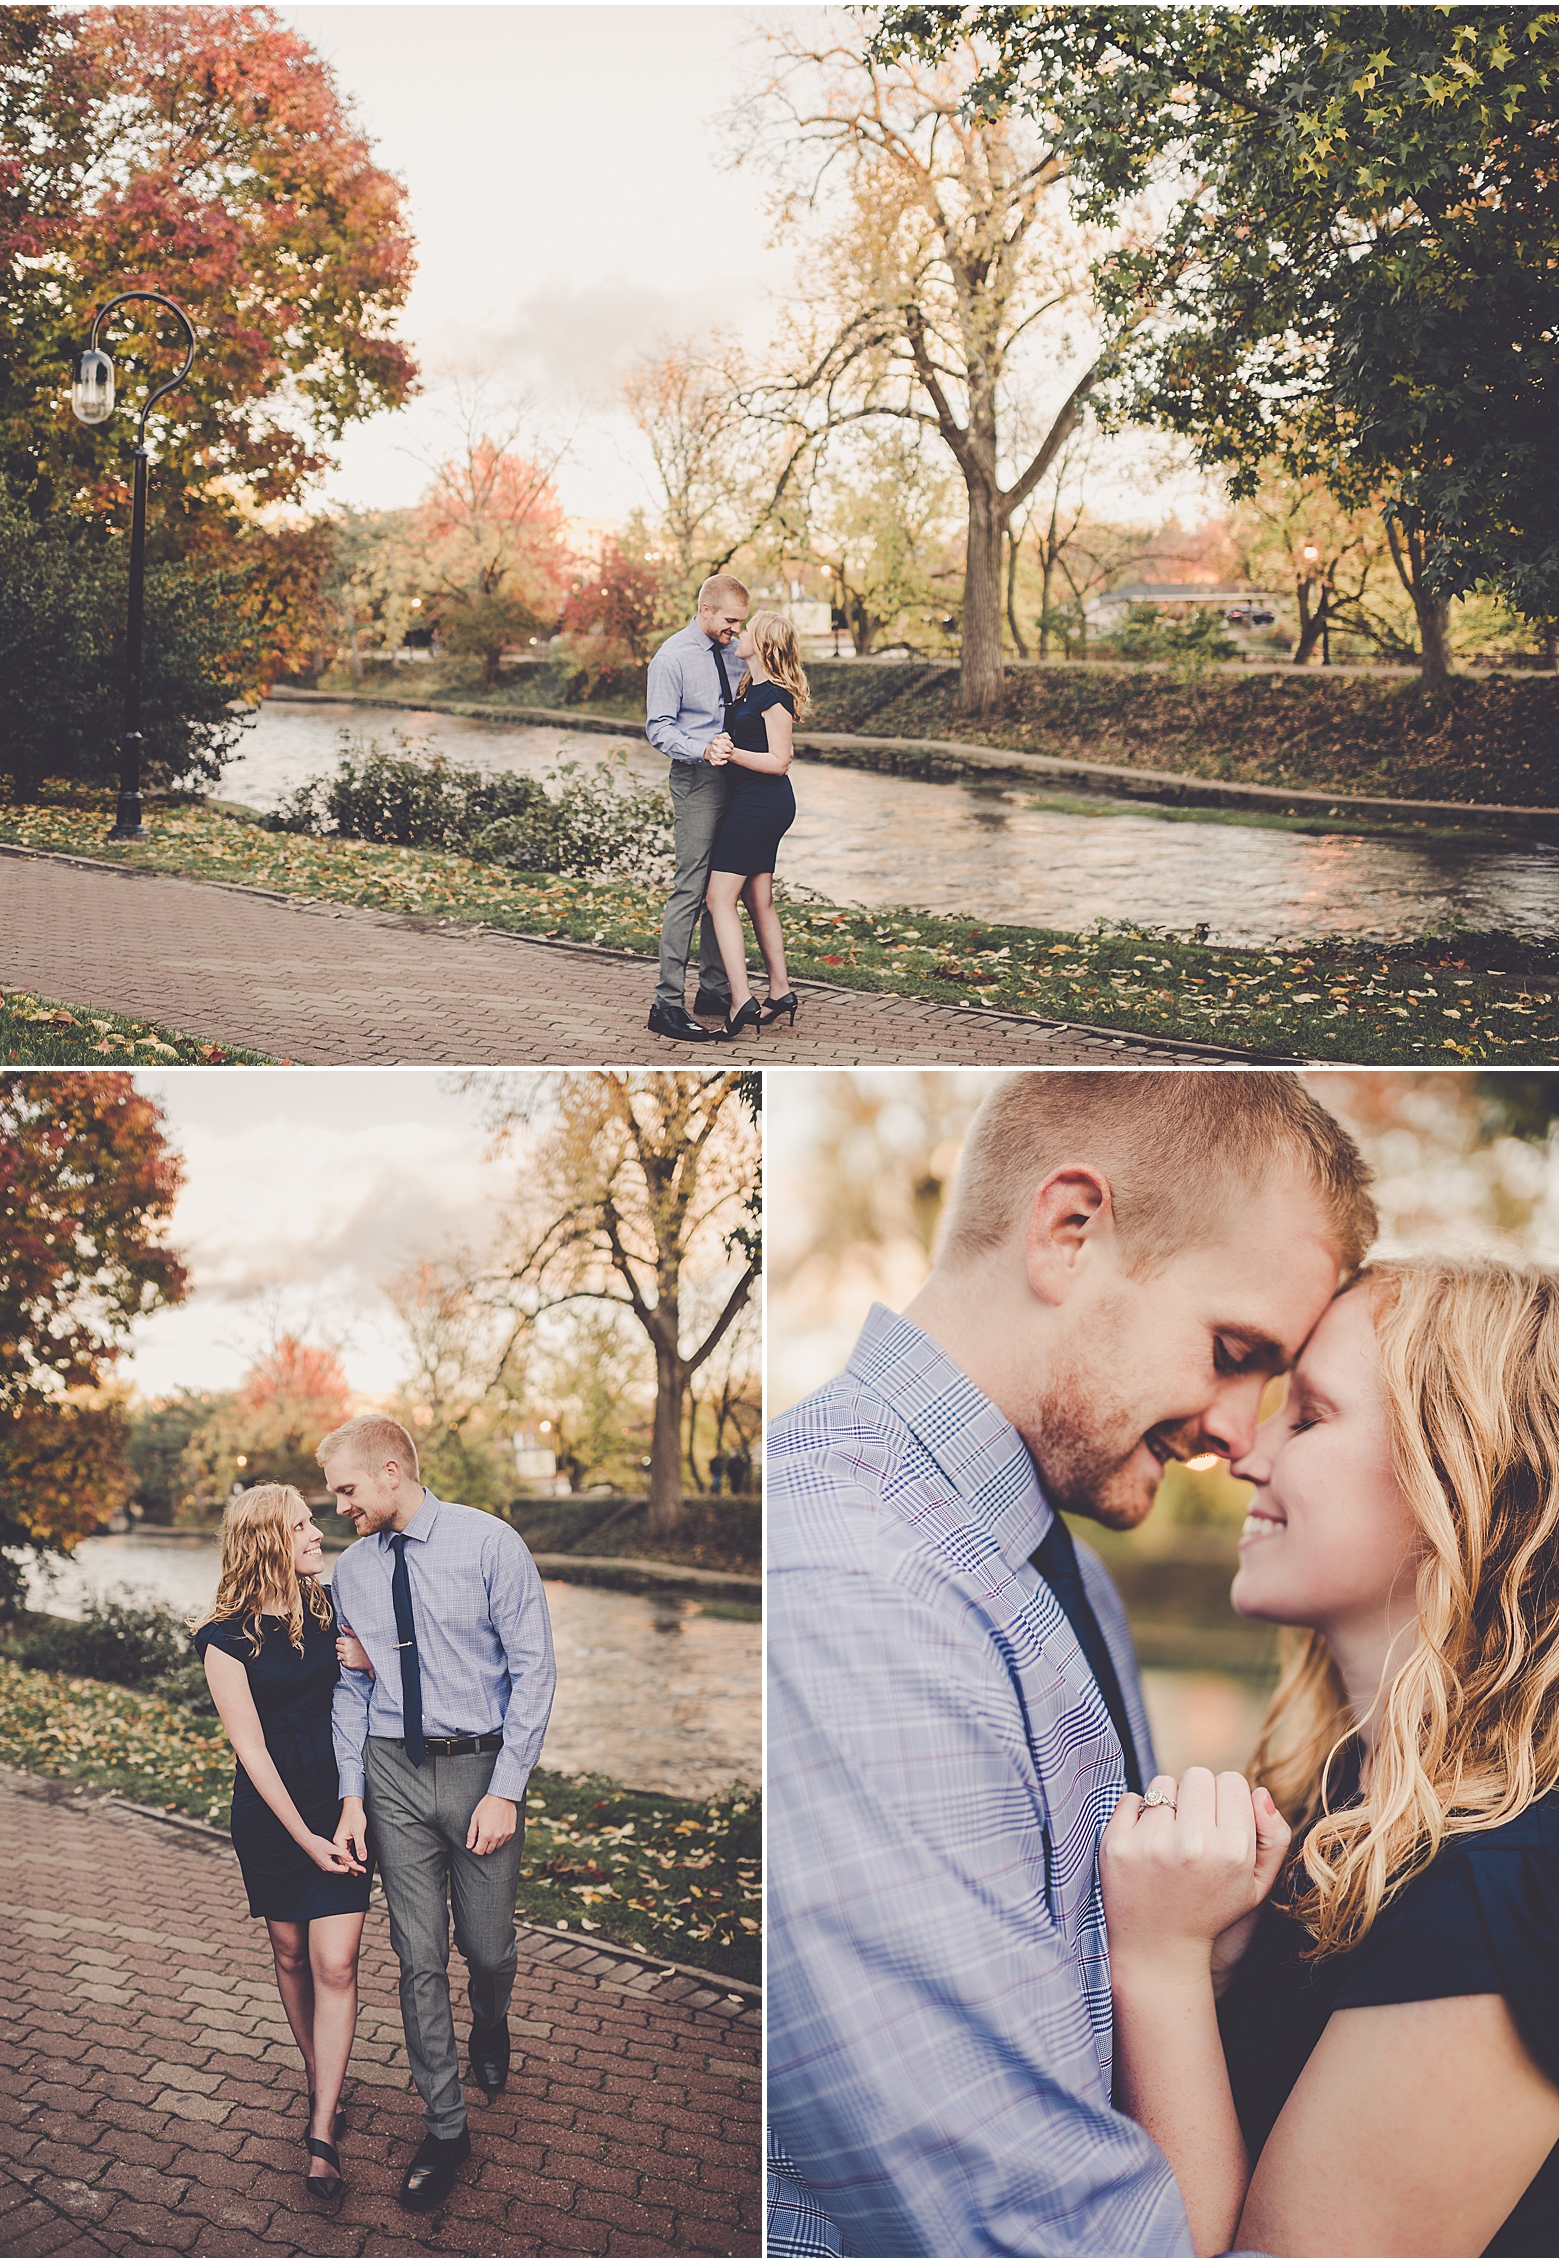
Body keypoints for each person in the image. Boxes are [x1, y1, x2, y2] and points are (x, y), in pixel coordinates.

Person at [766, 1069, 1379, 2257]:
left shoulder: (1052, 1562)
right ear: (1069, 1230)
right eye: (1233, 1348)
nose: (1238, 1435)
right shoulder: (858, 1592)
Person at [1099, 1256, 1557, 2260]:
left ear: (1460, 1474)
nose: (1243, 1452)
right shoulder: (1349, 1803)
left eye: (1305, 1416)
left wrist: (1161, 1966)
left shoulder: (1509, 1882)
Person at [319, 1416, 556, 2215]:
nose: (341, 1507)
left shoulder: (491, 1545)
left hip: (483, 1768)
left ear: (391, 1471)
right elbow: (350, 1690)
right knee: (418, 1956)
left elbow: (534, 1670)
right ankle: (446, 2128)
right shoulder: (350, 1570)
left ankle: (493, 2021)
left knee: (486, 1949)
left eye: (347, 1490)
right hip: (393, 1772)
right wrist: (353, 1794)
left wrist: (509, 1788)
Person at [193, 1485, 373, 2210]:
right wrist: (302, 1836)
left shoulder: (330, 1604)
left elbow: (369, 1691)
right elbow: (251, 1749)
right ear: (268, 1537)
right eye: (302, 1523)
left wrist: (366, 1660)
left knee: (337, 1958)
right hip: (272, 1817)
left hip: (343, 1802)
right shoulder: (223, 1636)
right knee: (292, 1954)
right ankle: (319, 2071)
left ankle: (322, 2127)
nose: (317, 1531)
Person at [645, 572, 749, 1042]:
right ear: (706, 609)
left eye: (741, 622)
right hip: (697, 777)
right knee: (690, 887)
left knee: (722, 888)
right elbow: (658, 728)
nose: (736, 630)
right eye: (730, 621)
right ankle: (666, 1003)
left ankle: (713, 989)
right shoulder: (672, 658)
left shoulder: (736, 650)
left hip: (739, 778)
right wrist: (702, 748)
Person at [704, 610, 804, 1040]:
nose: (738, 633)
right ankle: (779, 991)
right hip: (753, 802)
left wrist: (731, 754)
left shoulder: (775, 697)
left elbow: (780, 762)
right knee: (757, 899)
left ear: (762, 644)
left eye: (747, 629)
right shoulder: (751, 689)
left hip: (761, 805)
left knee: (717, 899)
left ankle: (741, 996)